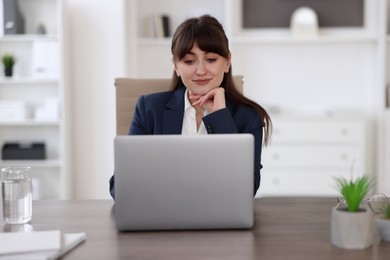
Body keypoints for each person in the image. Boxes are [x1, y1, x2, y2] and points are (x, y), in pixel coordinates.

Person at [109, 14, 271, 199]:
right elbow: (119, 186)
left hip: (220, 221)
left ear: (227, 62)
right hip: (161, 217)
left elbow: (245, 190)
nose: (201, 71)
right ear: (176, 66)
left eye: (211, 59)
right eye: (189, 61)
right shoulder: (149, 109)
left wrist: (220, 116)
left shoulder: (249, 118)